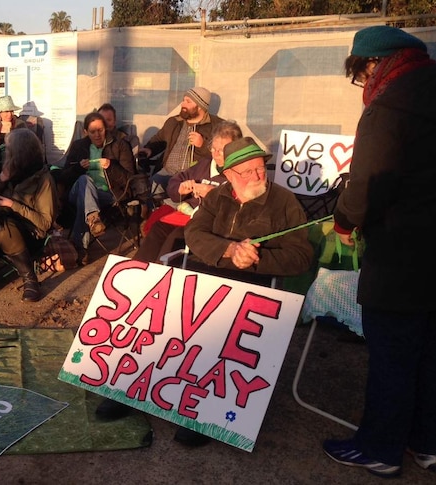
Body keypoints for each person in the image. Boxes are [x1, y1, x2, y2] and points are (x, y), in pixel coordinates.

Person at [96, 137, 313, 448]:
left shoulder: (283, 202)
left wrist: (258, 259)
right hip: (202, 276)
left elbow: (302, 256)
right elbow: (195, 233)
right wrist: (228, 248)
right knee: (154, 322)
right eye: (247, 172)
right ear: (229, 175)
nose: (257, 177)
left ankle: (205, 411)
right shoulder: (218, 196)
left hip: (248, 287)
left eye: (260, 170)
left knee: (215, 330)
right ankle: (131, 388)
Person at [321, 26, 436, 478]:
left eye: (362, 72)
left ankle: (380, 448)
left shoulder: (388, 105)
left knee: (394, 355)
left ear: (375, 64)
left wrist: (344, 222)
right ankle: (428, 445)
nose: (364, 82)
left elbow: (369, 183)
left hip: (400, 256)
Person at [0, 128, 57, 304]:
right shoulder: (9, 172)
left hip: (30, 236)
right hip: (1, 232)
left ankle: (30, 279)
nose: (5, 153)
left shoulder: (43, 179)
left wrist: (14, 205)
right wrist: (1, 179)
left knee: (1, 224)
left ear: (20, 153)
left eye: (9, 149)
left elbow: (45, 224)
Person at [133, 120, 242, 262]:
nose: (216, 154)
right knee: (159, 228)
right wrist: (181, 189)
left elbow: (242, 204)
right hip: (186, 215)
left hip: (211, 223)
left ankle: (162, 274)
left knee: (175, 238)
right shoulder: (205, 164)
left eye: (221, 150)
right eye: (213, 149)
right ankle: (136, 269)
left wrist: (213, 193)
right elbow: (175, 181)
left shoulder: (240, 171)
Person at [59, 111, 135, 264]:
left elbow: (130, 178)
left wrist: (111, 166)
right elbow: (64, 176)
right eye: (93, 132)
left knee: (85, 199)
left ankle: (82, 245)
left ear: (105, 129)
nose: (97, 135)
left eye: (100, 130)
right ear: (85, 132)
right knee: (84, 181)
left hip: (110, 193)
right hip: (78, 188)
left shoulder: (120, 145)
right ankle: (93, 218)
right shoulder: (78, 146)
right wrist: (79, 168)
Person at [137, 87, 224, 201]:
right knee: (149, 190)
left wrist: (203, 144)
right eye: (183, 100)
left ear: (200, 106)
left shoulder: (217, 126)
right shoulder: (174, 122)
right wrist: (149, 149)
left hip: (192, 177)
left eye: (188, 101)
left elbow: (223, 153)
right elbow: (159, 139)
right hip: (167, 171)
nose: (183, 104)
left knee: (178, 202)